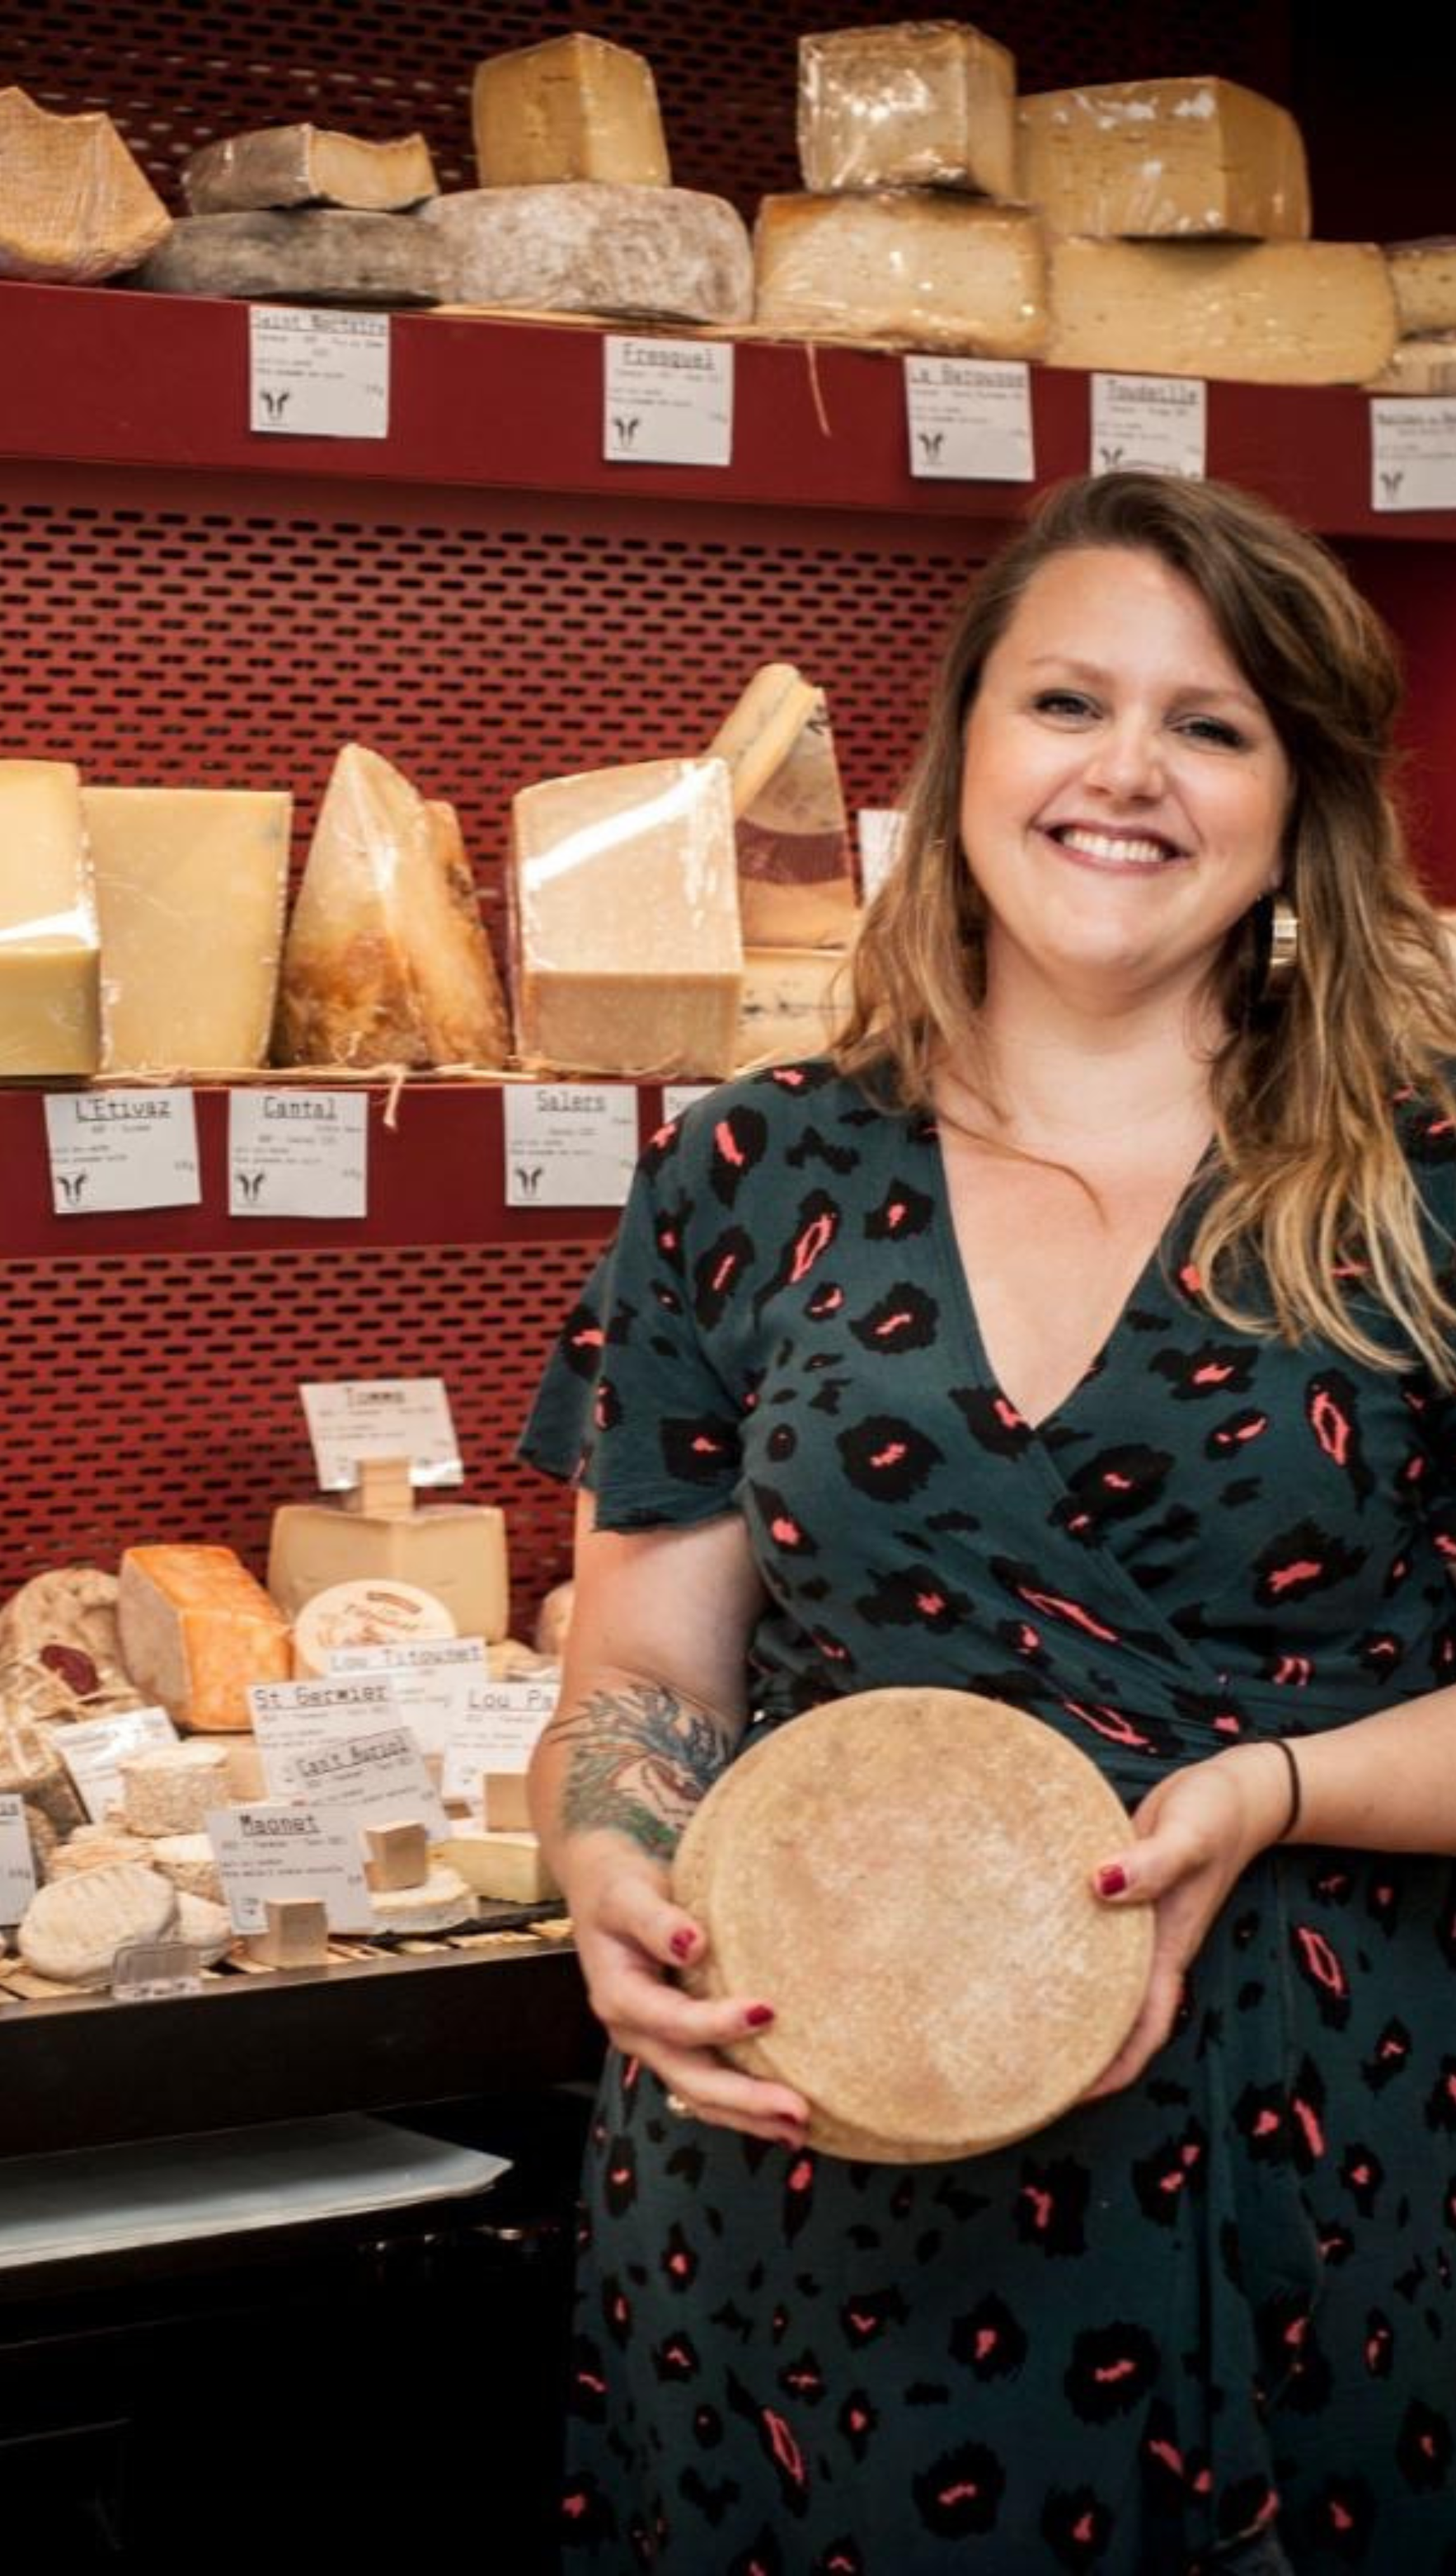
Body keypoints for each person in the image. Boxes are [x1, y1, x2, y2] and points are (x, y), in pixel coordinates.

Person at [520, 470, 1456, 2574]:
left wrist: (1272, 1784)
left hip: (1325, 2142)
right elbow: (645, 1667)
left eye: (1206, 724)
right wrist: (608, 1860)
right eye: (1063, 703)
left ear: (1294, 801)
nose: (1122, 770)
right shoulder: (754, 1166)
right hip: (821, 2147)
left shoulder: (1424, 1177)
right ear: (960, 755)